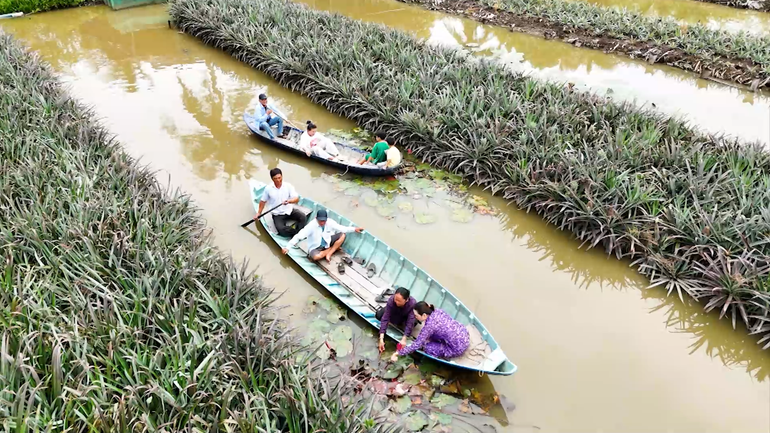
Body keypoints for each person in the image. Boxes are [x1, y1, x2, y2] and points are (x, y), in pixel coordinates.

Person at [390, 301, 469, 362]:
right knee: (437, 334)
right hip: (464, 334)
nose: (415, 317)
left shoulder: (429, 327)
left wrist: (398, 353)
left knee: (428, 348)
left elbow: (416, 345)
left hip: (458, 348)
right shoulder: (438, 311)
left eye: (416, 316)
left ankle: (440, 356)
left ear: (424, 315)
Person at [282, 209, 364, 262]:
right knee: (316, 257)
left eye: (324, 221)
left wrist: (354, 229)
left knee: (342, 235)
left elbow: (342, 228)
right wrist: (288, 247)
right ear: (316, 218)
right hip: (316, 247)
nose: (322, 223)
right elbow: (299, 236)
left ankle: (329, 253)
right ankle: (334, 249)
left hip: (327, 242)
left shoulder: (329, 222)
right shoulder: (311, 226)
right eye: (320, 221)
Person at [257, 168, 306, 237]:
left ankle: (298, 232)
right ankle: (296, 233)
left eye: (279, 178)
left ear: (282, 176)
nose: (278, 180)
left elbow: (296, 199)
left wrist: (289, 201)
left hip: (289, 211)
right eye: (275, 178)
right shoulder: (268, 188)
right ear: (272, 179)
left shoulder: (288, 186)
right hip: (277, 214)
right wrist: (259, 213)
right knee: (281, 230)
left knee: (302, 217)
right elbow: (263, 201)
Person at [376, 287, 417, 352]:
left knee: (412, 323)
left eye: (399, 301)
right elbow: (386, 317)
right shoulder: (391, 300)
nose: (396, 302)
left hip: (404, 316)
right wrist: (381, 338)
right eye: (396, 299)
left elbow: (410, 321)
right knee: (378, 315)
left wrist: (404, 338)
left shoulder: (412, 304)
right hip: (394, 313)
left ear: (406, 300)